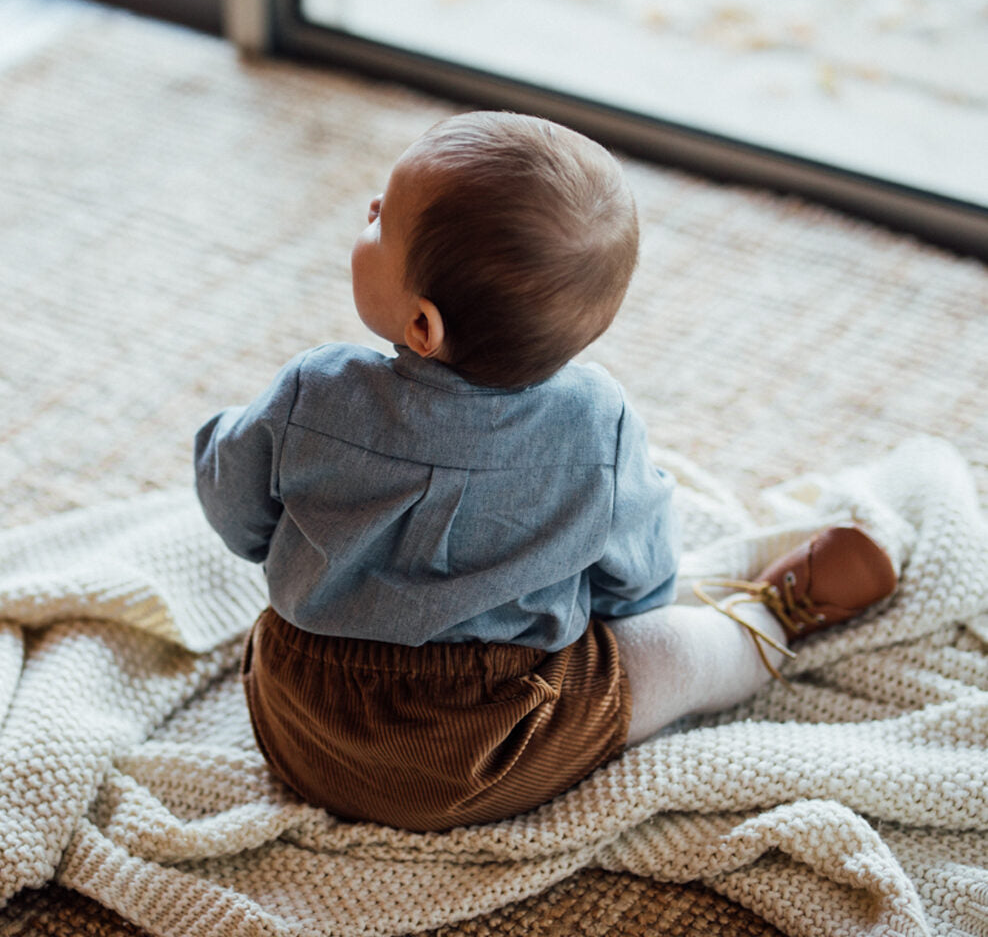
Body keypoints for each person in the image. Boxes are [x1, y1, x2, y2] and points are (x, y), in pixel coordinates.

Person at [194, 111, 897, 832]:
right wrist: (619, 626)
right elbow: (642, 572)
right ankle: (764, 624)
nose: (369, 211)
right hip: (492, 750)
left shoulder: (313, 390)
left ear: (422, 327)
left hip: (302, 726)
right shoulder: (597, 424)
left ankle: (761, 621)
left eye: (383, 220)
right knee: (671, 656)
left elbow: (230, 502)